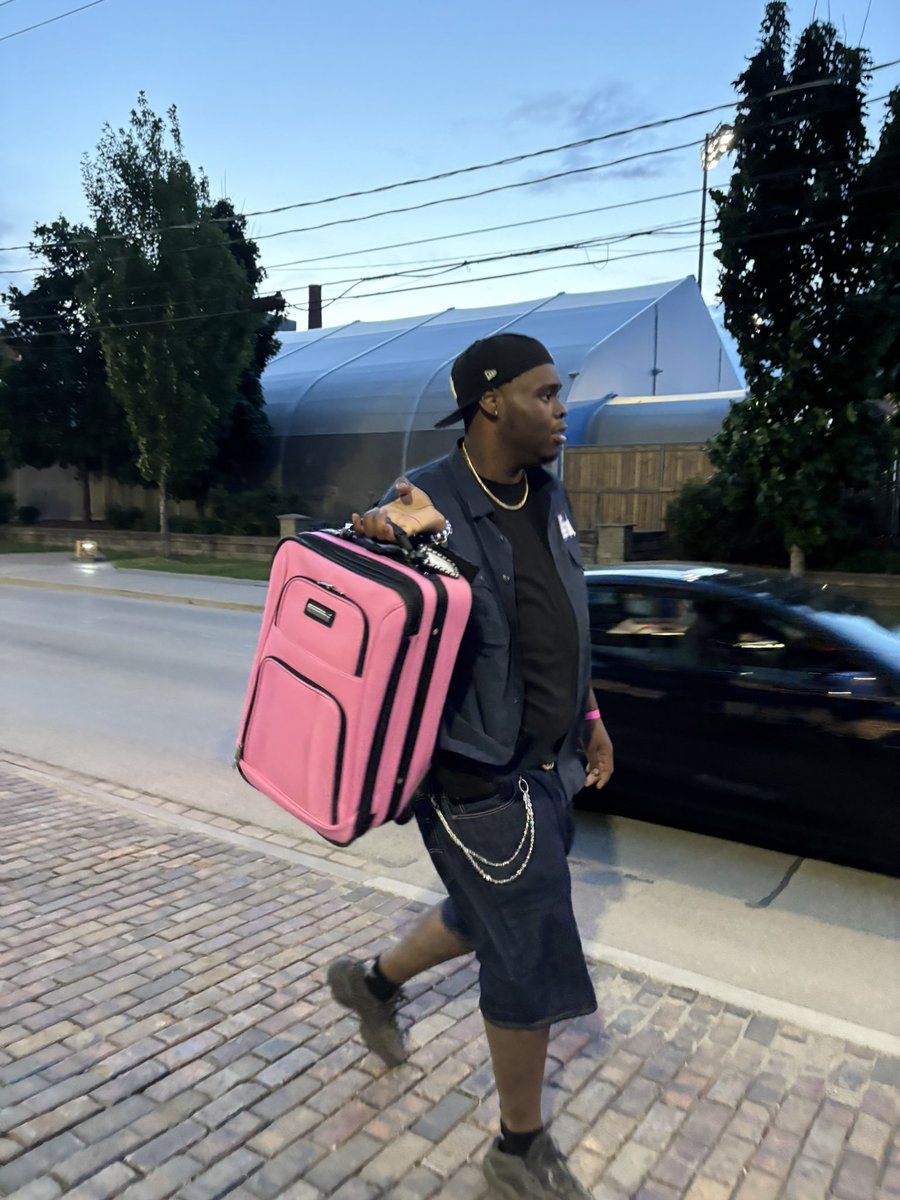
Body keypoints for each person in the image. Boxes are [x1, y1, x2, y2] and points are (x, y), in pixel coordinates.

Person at [326, 332, 614, 1200]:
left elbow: (563, 615)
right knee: (526, 946)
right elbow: (375, 586)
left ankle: (372, 983)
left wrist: (592, 716)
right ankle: (517, 1150)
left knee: (484, 914)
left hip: (550, 763)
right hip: (472, 773)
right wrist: (381, 537)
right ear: (491, 401)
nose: (562, 409)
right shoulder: (427, 501)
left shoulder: (546, 494)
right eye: (546, 393)